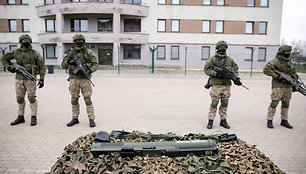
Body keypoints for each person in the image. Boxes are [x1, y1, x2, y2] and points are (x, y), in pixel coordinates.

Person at [1, 34, 46, 126]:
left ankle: (34, 116)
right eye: (23, 41)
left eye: (27, 41)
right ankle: (20, 117)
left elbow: (42, 66)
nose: (25, 43)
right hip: (19, 79)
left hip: (31, 79)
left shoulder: (35, 53)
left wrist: (42, 79)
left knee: (31, 98)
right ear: (20, 42)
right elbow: (4, 59)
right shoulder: (16, 52)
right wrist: (9, 67)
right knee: (19, 98)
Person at [61, 34, 98, 127]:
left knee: (88, 99)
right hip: (73, 79)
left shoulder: (88, 52)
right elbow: (63, 65)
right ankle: (75, 118)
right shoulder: (69, 53)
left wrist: (89, 70)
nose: (79, 42)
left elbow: (96, 64)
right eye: (78, 40)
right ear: (74, 42)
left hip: (85, 80)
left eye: (81, 40)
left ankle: (91, 119)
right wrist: (69, 62)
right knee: (74, 99)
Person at [204, 41, 239, 129]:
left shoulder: (230, 60)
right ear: (217, 48)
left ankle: (223, 120)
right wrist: (216, 74)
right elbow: (206, 70)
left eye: (224, 47)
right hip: (216, 85)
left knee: (225, 103)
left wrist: (236, 78)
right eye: (221, 47)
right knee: (214, 103)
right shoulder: (212, 59)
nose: (223, 49)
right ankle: (210, 120)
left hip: (226, 85)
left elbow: (235, 69)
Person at [263, 45, 298, 129]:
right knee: (274, 103)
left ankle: (284, 120)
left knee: (286, 103)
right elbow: (266, 70)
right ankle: (270, 119)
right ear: (282, 52)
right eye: (286, 52)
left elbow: (294, 72)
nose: (288, 54)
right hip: (278, 86)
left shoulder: (289, 62)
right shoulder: (275, 61)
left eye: (289, 52)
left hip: (288, 86)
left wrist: (294, 79)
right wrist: (277, 76)